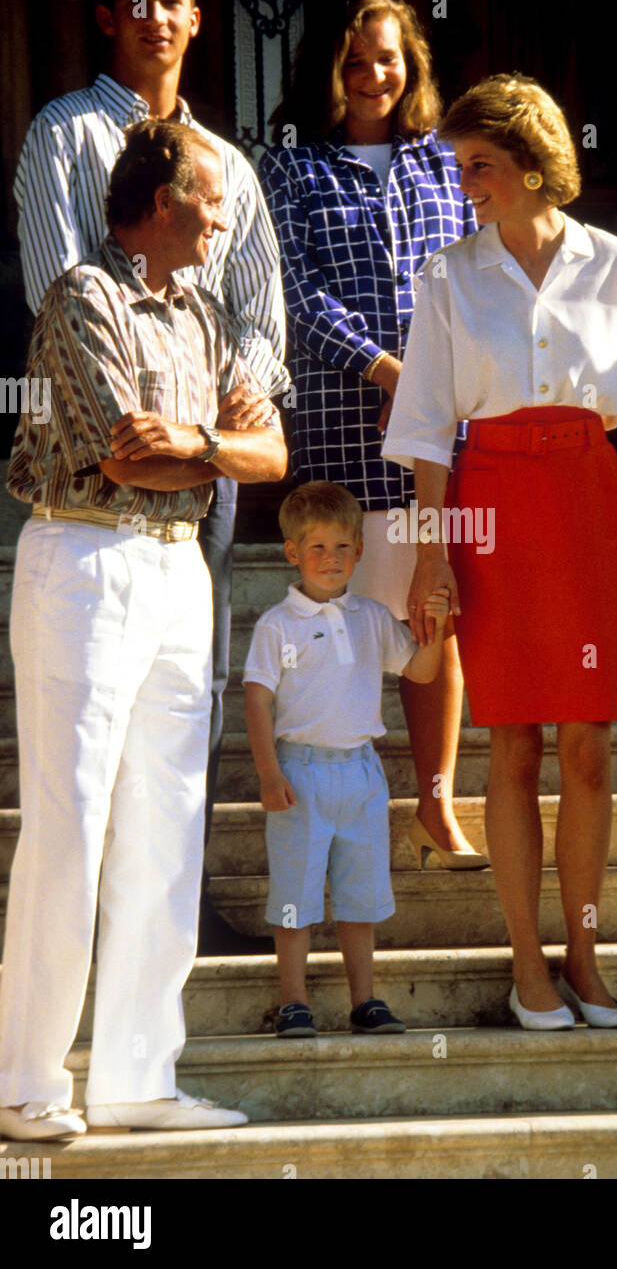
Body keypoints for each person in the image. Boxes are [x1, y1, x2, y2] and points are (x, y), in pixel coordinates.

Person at [383, 73, 617, 1029]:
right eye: (459, 165)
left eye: (478, 165)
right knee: (513, 742)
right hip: (491, 506)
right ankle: (528, 965)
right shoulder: (446, 276)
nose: (464, 182)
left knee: (589, 747)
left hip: (588, 504)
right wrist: (432, 554)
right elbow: (430, 429)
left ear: (529, 162)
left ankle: (585, 957)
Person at [0, 120, 288, 1141]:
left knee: (166, 826)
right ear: (161, 197)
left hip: (179, 571)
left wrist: (203, 443)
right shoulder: (83, 296)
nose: (223, 216)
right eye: (211, 198)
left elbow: (273, 451)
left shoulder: (206, 317)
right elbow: (123, 458)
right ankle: (29, 1080)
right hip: (84, 560)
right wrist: (219, 451)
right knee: (71, 821)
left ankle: (136, 1077)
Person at [13, 0, 289, 954]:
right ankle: (77, 942)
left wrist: (222, 416)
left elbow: (259, 313)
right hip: (102, 467)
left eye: (173, 1)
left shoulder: (234, 170)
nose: (156, 19)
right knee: (91, 734)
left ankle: (173, 906)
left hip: (200, 468)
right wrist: (157, 400)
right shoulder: (64, 135)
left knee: (183, 706)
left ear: (197, 17)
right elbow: (65, 285)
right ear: (108, 17)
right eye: (137, 2)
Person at [258, 0, 486, 871]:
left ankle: (435, 800)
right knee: (344, 616)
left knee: (435, 614)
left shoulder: (444, 164)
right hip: (345, 435)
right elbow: (291, 292)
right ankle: (330, 794)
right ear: (330, 69)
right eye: (354, 61)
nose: (371, 75)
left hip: (440, 437)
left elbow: (471, 278)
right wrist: (384, 367)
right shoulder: (290, 168)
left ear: (409, 65)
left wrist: (433, 379)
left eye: (386, 58)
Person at [243, 481, 450, 1036]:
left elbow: (422, 671)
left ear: (360, 550)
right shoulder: (276, 626)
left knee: (360, 895)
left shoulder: (371, 616)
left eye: (342, 547)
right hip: (300, 774)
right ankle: (294, 1001)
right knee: (297, 894)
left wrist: (438, 624)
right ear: (292, 552)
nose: (331, 560)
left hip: (361, 773)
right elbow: (257, 699)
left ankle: (366, 1000)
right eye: (317, 548)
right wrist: (268, 772)